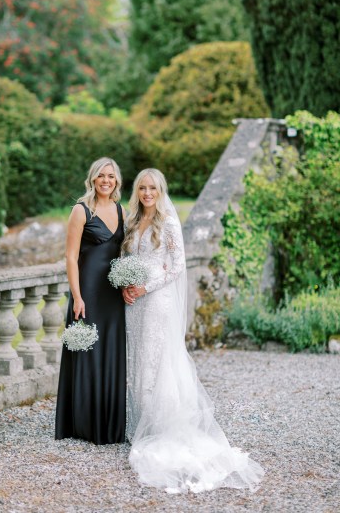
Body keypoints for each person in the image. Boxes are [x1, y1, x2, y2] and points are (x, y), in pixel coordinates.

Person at [122, 168, 264, 493]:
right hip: (133, 304)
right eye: (142, 188)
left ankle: (158, 430)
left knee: (155, 364)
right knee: (136, 362)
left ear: (160, 190)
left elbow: (177, 266)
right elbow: (126, 261)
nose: (147, 193)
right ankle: (137, 426)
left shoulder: (168, 223)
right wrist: (125, 286)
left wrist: (146, 287)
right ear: (137, 191)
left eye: (152, 188)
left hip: (156, 302)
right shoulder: (132, 222)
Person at [55, 157, 126, 444]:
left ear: (117, 181)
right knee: (87, 351)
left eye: (111, 176)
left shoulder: (122, 210)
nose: (106, 181)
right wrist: (77, 296)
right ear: (93, 179)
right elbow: (71, 257)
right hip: (88, 292)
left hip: (112, 294)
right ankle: (83, 424)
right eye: (101, 176)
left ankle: (109, 423)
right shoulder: (81, 210)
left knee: (110, 350)